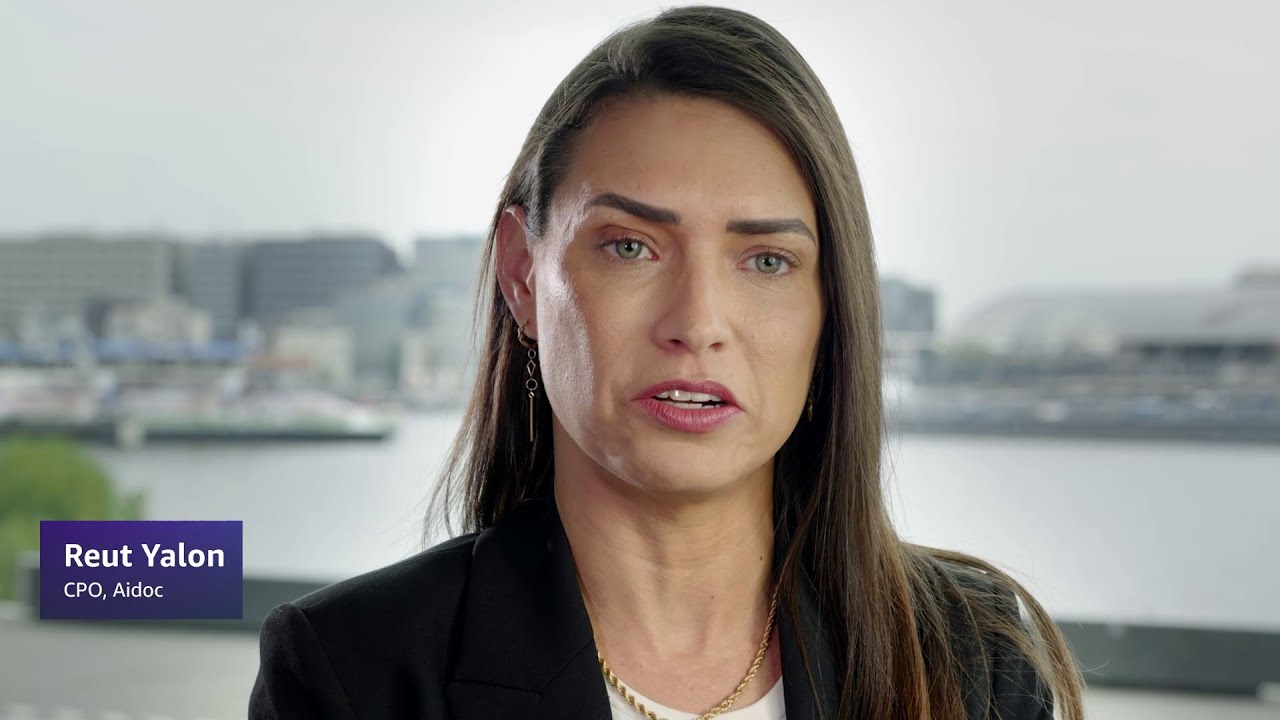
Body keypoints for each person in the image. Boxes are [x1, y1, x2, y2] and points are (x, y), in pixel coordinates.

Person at [249, 6, 1085, 719]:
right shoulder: (355, 672)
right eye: (630, 246)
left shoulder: (971, 660)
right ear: (521, 275)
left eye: (766, 261)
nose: (698, 323)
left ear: (832, 310)